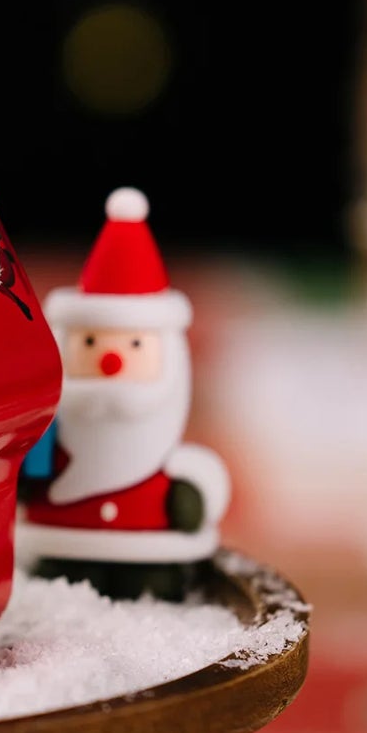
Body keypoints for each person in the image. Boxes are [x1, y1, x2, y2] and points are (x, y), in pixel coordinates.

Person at [16, 187, 231, 601]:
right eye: (92, 343)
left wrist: (190, 496)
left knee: (151, 594)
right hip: (61, 544)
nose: (110, 361)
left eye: (134, 346)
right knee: (57, 597)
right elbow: (26, 469)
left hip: (149, 550)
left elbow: (194, 484)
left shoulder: (161, 446)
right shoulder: (48, 438)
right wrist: (23, 479)